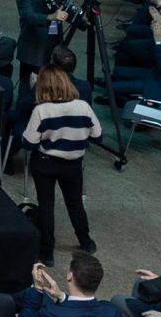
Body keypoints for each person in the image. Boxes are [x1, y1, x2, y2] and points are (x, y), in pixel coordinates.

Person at [18, 61, 100, 258]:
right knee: (75, 204)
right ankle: (86, 242)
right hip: (73, 164)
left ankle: (47, 253)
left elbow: (28, 143)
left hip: (45, 163)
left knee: (46, 207)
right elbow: (97, 136)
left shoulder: (41, 110)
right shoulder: (83, 106)